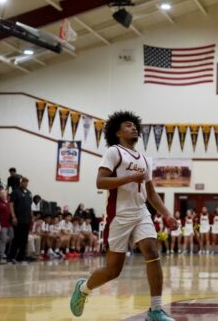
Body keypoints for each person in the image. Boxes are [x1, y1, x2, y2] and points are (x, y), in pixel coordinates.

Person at [69, 110, 177, 320]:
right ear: (117, 132)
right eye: (128, 125)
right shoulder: (113, 152)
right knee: (113, 270)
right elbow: (100, 182)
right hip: (118, 215)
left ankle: (155, 310)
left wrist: (166, 214)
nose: (134, 128)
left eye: (134, 125)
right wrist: (129, 178)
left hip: (141, 212)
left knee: (152, 250)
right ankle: (83, 288)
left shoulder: (145, 159)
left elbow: (151, 193)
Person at [9, 176, 33, 263]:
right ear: (21, 182)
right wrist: (13, 216)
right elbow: (11, 204)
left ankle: (20, 257)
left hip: (26, 220)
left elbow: (29, 206)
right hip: (18, 219)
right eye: (24, 182)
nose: (26, 183)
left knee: (24, 239)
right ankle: (11, 257)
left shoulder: (29, 193)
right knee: (17, 239)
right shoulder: (15, 192)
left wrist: (31, 217)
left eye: (27, 182)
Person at [0, 189, 14, 264]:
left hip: (9, 224)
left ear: (6, 194)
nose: (3, 195)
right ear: (0, 195)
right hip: (2, 225)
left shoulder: (8, 203)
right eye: (1, 194)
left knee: (12, 236)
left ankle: (2, 243)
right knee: (3, 240)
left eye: (4, 193)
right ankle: (2, 256)